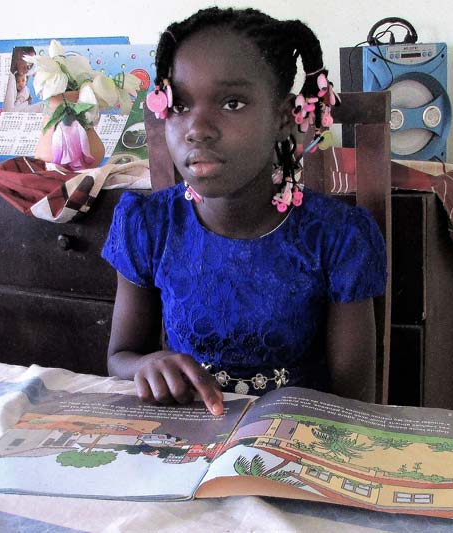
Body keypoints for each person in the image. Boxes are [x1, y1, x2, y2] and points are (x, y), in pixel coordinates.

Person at [101, 7, 387, 416]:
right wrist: (146, 364)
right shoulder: (149, 225)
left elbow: (353, 403)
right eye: (180, 105)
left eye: (232, 103)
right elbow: (120, 357)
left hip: (295, 446)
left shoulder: (338, 237)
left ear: (284, 117)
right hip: (186, 445)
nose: (197, 128)